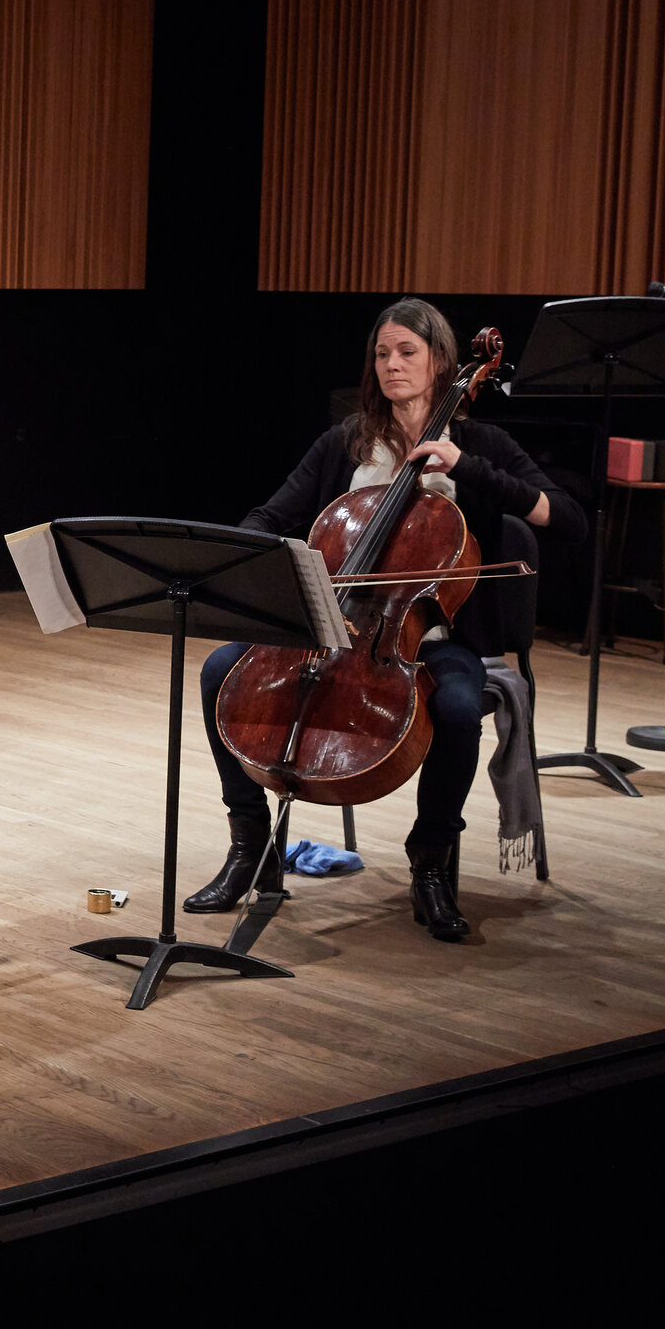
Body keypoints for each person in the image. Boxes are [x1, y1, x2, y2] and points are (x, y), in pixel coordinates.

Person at [185, 298, 586, 941]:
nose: (392, 365)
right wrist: (253, 565)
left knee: (456, 705)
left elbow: (565, 518)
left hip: (428, 636)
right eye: (382, 353)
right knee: (218, 669)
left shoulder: (482, 445)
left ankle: (430, 861)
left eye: (408, 352)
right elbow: (269, 517)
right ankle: (249, 842)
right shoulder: (345, 443)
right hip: (330, 626)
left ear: (443, 363)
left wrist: (468, 470)